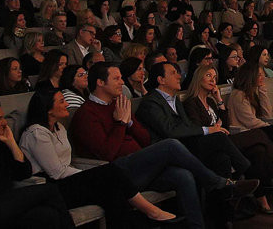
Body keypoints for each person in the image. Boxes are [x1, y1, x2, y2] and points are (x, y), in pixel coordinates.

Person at [70, 62, 260, 229]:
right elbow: (107, 154)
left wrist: (129, 122)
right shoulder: (86, 114)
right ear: (100, 83)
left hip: (141, 165)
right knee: (171, 145)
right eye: (116, 78)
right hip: (118, 175)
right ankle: (219, 184)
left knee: (183, 175)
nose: (122, 82)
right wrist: (120, 124)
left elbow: (144, 139)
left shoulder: (119, 104)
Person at [18, 89, 182, 227]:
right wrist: (91, 174)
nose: (67, 104)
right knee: (108, 172)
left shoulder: (59, 127)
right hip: (51, 187)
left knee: (112, 193)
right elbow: (56, 172)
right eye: (61, 101)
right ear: (48, 109)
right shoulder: (36, 133)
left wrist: (91, 175)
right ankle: (151, 211)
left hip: (68, 179)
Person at [182, 63, 273, 214]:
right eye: (208, 76)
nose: (212, 80)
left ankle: (263, 200)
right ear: (198, 78)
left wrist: (219, 101)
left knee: (258, 150)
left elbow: (225, 125)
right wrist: (214, 128)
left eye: (214, 77)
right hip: (212, 143)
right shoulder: (191, 102)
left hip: (223, 139)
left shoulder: (210, 102)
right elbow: (197, 127)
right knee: (258, 134)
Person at [0, 98, 81, 229]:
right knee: (49, 189)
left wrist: (11, 143)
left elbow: (24, 172)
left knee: (48, 215)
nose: (5, 123)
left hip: (6, 205)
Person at [135, 61, 254, 180]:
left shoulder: (175, 100)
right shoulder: (151, 102)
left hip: (189, 143)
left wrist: (218, 103)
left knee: (222, 158)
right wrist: (209, 130)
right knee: (220, 138)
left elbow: (188, 125)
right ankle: (248, 171)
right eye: (173, 73)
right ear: (161, 80)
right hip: (170, 151)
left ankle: (229, 192)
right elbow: (169, 130)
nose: (179, 76)